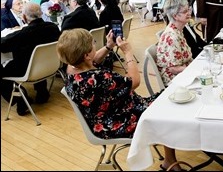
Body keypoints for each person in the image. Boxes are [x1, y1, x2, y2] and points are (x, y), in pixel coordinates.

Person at [57, 28, 182, 171]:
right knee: (167, 105)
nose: (95, 46)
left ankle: (170, 160)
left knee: (166, 98)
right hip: (117, 121)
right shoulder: (101, 79)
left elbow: (93, 59)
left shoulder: (72, 69)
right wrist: (128, 53)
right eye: (93, 43)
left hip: (104, 116)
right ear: (86, 55)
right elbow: (134, 81)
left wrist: (108, 46)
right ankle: (170, 162)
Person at [1, 3, 61, 115]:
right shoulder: (53, 27)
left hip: (29, 69)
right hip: (49, 66)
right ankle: (42, 92)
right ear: (41, 14)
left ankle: (21, 99)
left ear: (23, 17)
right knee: (37, 57)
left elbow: (3, 45)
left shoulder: (25, 33)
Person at [157, 0, 193, 86]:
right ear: (175, 16)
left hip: (183, 71)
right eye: (185, 12)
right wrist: (194, 70)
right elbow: (173, 69)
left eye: (188, 9)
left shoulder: (178, 30)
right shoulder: (172, 37)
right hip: (175, 80)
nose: (189, 13)